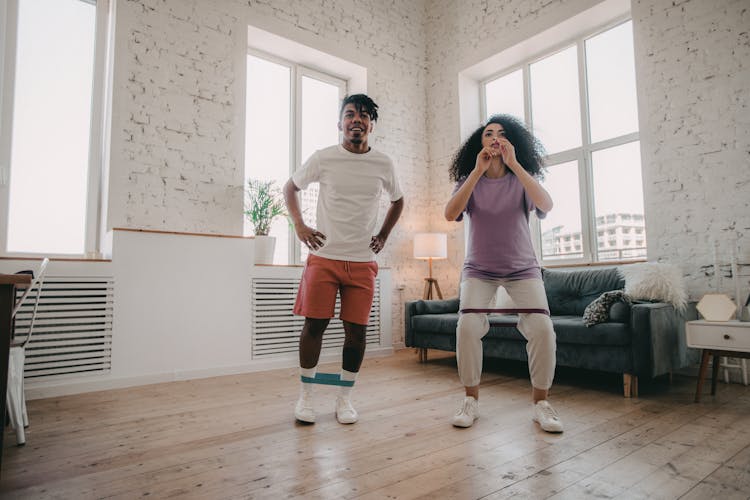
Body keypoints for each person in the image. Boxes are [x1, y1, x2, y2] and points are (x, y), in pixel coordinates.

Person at [283, 94, 404, 425]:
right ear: (340, 123)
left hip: (362, 262)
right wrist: (300, 225)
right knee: (315, 326)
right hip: (324, 258)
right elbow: (290, 188)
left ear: (371, 125)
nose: (356, 120)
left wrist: (383, 235)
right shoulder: (324, 158)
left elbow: (398, 200)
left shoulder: (384, 164)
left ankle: (344, 399)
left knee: (357, 333)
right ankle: (306, 397)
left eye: (364, 116)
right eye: (350, 114)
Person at [444, 114, 563, 433]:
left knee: (542, 329)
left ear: (511, 143)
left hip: (522, 269)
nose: (494, 137)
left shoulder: (520, 180)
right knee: (467, 326)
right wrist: (477, 171)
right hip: (479, 270)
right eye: (488, 134)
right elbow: (451, 212)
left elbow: (546, 204)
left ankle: (541, 403)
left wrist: (516, 164)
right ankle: (470, 400)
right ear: (480, 144)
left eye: (501, 134)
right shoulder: (471, 180)